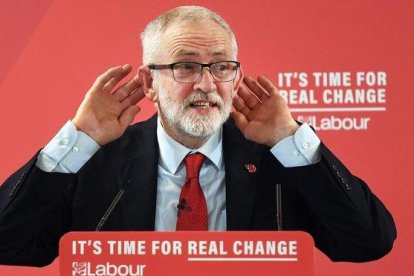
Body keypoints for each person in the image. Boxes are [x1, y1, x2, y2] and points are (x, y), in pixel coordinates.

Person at [0, 6, 395, 267]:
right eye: (186, 66)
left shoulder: (281, 158)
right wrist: (80, 137)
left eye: (221, 66)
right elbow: (9, 242)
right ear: (148, 82)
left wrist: (291, 139)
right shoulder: (95, 161)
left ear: (236, 77)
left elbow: (368, 243)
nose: (206, 84)